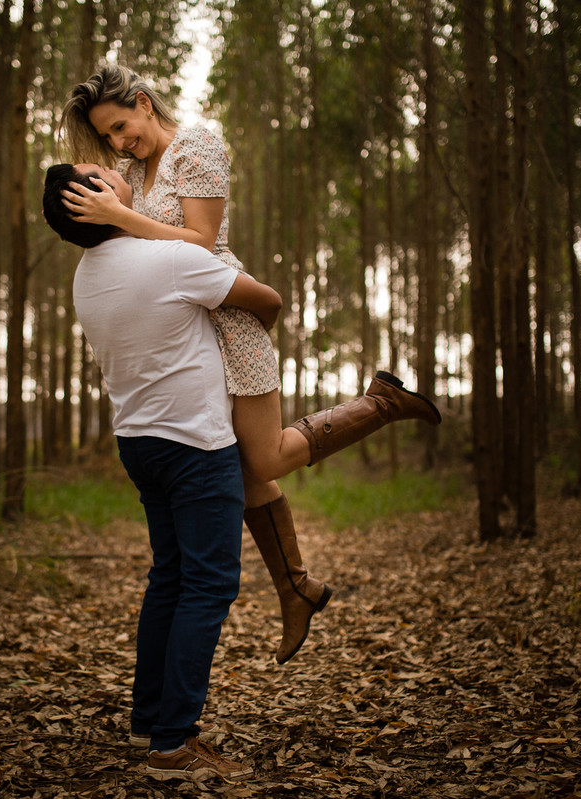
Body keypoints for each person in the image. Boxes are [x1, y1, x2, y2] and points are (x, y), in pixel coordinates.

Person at [58, 65, 442, 665]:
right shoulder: (128, 174)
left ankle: (381, 403)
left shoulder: (198, 145)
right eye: (108, 137)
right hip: (183, 335)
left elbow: (200, 239)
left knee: (263, 458)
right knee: (236, 469)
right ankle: (296, 589)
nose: (118, 144)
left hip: (227, 320)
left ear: (143, 102)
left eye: (121, 127)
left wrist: (120, 219)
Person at [43, 162, 272, 780]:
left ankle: (151, 718)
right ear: (96, 200)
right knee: (209, 585)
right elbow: (267, 299)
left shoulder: (85, 278)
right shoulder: (168, 260)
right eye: (100, 172)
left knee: (170, 578)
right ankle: (173, 743)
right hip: (196, 442)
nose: (115, 169)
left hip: (138, 441)